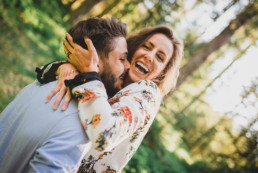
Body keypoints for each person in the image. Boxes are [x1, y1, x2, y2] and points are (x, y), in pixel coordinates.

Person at [41, 25, 183, 172]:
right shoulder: (113, 79)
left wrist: (88, 75)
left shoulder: (148, 92)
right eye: (147, 47)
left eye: (160, 57)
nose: (149, 56)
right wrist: (65, 68)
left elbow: (105, 135)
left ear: (163, 72)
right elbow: (42, 73)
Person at [0, 17, 129, 173]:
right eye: (122, 59)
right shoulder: (81, 122)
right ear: (94, 63)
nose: (128, 66)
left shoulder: (44, 83)